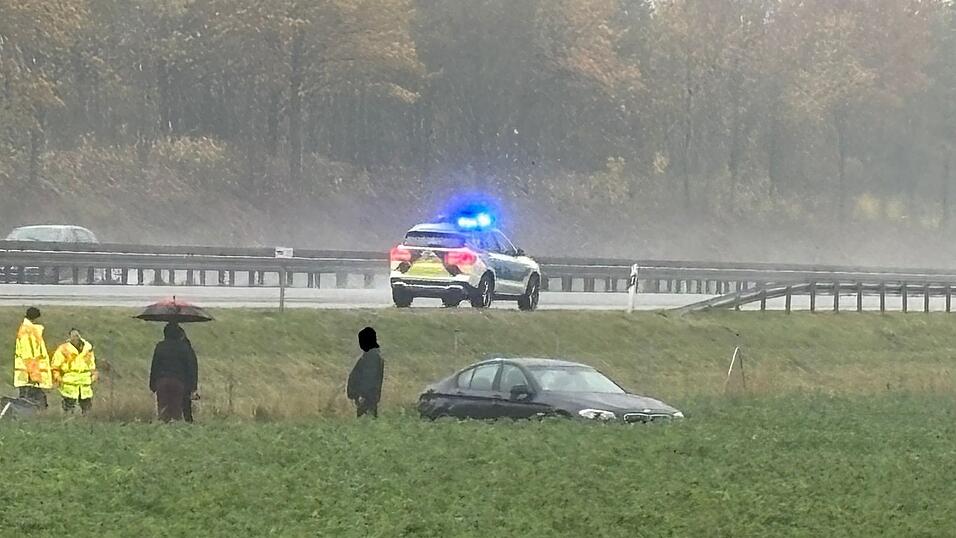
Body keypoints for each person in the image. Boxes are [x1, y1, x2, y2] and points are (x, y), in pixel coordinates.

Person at [149, 323, 198, 421]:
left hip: (161, 381)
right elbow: (190, 367)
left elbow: (155, 365)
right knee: (176, 410)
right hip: (178, 381)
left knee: (163, 409)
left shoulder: (160, 346)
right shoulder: (184, 347)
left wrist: (152, 384)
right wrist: (192, 387)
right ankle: (175, 429)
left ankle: (163, 430)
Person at [51, 328, 97, 414]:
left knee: (86, 405)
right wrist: (57, 377)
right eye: (73, 335)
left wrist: (93, 375)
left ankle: (87, 422)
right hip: (69, 382)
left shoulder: (88, 348)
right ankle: (68, 422)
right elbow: (55, 365)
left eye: (76, 335)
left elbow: (92, 364)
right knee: (68, 405)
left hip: (84, 382)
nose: (75, 338)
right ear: (69, 337)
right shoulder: (63, 349)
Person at [13, 307, 52, 408]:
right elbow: (28, 356)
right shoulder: (27, 331)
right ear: (35, 318)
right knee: (32, 402)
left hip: (29, 375)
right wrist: (34, 375)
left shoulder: (30, 330)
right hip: (28, 376)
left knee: (32, 401)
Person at [347, 327, 384, 418]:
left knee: (366, 421)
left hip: (366, 399)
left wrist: (362, 395)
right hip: (368, 398)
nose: (360, 343)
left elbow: (369, 378)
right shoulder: (370, 355)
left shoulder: (371, 357)